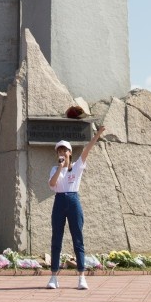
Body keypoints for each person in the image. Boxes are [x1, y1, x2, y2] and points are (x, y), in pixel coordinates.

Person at [47, 124, 107, 291]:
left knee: (78, 238)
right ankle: (53, 276)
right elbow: (52, 184)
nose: (62, 153)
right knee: (56, 239)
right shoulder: (54, 169)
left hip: (73, 201)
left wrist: (97, 134)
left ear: (70, 152)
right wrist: (60, 167)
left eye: (64, 150)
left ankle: (81, 276)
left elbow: (87, 149)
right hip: (59, 201)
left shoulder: (78, 166)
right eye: (59, 151)